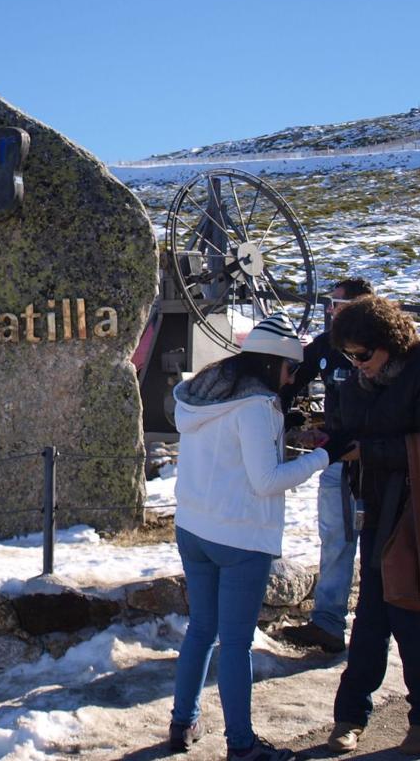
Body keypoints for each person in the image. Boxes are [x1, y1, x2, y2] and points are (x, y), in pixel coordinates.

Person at [168, 312, 356, 761]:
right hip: (239, 536)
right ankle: (242, 745)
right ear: (274, 363)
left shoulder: (210, 390)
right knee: (235, 643)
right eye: (291, 369)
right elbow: (266, 479)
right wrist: (326, 456)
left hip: (193, 526)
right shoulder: (255, 405)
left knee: (201, 630)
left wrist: (287, 428)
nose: (293, 378)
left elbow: (227, 443)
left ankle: (183, 722)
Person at [324, 296, 420, 757]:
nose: (357, 365)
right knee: (372, 609)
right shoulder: (359, 380)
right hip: (379, 504)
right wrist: (326, 438)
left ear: (389, 343)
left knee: (403, 607)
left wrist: (366, 452)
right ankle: (350, 715)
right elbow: (349, 430)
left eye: (363, 355)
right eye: (350, 356)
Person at [280, 278, 374, 653]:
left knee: (378, 544)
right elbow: (291, 378)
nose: (332, 310)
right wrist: (286, 415)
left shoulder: (385, 346)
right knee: (336, 539)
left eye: (340, 303)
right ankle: (329, 622)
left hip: (381, 459)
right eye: (331, 304)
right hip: (337, 457)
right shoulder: (326, 345)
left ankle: (374, 624)